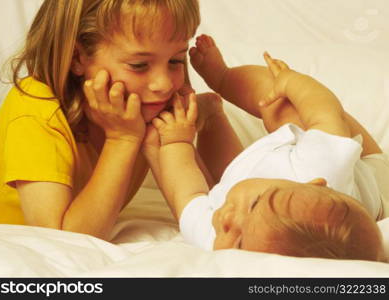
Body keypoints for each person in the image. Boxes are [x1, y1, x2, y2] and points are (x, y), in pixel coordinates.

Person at [0, 0, 233, 241]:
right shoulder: (36, 108)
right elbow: (64, 239)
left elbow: (205, 213)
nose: (164, 84)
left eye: (176, 60)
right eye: (139, 65)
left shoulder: (146, 105)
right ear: (78, 58)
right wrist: (122, 139)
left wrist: (211, 119)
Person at [145, 34, 388, 261]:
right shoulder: (322, 167)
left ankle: (212, 117)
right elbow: (324, 110)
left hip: (247, 174)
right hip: (377, 180)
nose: (228, 218)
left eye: (239, 243)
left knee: (219, 188)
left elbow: (186, 194)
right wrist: (293, 82)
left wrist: (176, 141)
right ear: (316, 184)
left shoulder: (217, 242)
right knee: (283, 107)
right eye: (254, 205)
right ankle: (224, 77)